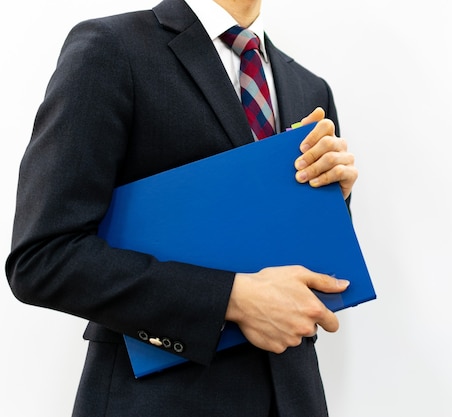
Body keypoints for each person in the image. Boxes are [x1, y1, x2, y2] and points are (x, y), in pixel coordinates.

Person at [5, 0, 358, 415]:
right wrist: (231, 298)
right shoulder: (111, 48)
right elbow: (43, 258)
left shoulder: (308, 88)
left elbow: (307, 267)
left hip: (295, 399)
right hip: (159, 401)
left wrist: (335, 198)